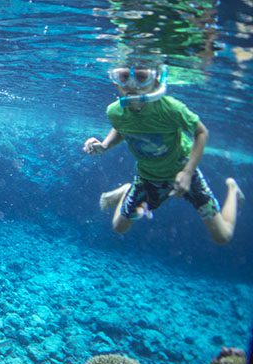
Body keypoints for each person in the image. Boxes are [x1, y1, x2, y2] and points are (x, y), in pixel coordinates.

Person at [83, 61, 242, 244]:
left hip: (183, 171)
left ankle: (232, 187)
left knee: (222, 236)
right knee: (119, 227)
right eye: (124, 77)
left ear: (156, 81)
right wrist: (104, 145)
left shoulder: (170, 108)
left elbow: (201, 132)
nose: (132, 85)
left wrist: (188, 172)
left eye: (142, 78)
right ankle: (127, 190)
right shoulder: (114, 111)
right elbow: (121, 129)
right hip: (148, 177)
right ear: (115, 81)